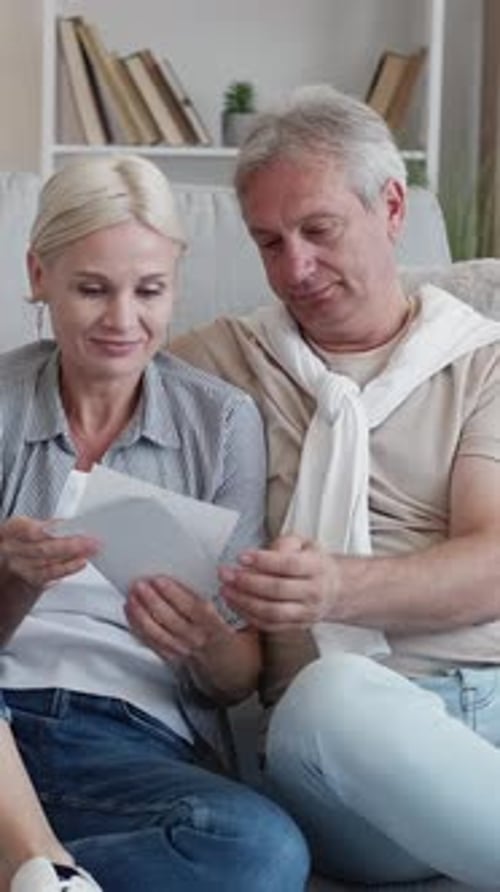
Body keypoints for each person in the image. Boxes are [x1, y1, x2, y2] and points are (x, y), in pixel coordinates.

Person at [172, 86, 500, 888]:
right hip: (340, 754)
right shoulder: (221, 364)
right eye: (269, 243)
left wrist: (337, 587)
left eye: (318, 231)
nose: (296, 269)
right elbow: (94, 359)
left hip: (489, 707)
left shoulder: (480, 359)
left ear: (390, 207)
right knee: (332, 694)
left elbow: (492, 565)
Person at [0, 154, 310, 892]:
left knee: (264, 853)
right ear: (38, 276)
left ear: (176, 283)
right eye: (91, 289)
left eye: (149, 291)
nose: (123, 321)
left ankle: (40, 871)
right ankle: (34, 859)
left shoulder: (221, 423)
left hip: (130, 748)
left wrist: (204, 640)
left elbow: (235, 680)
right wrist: (8, 585)